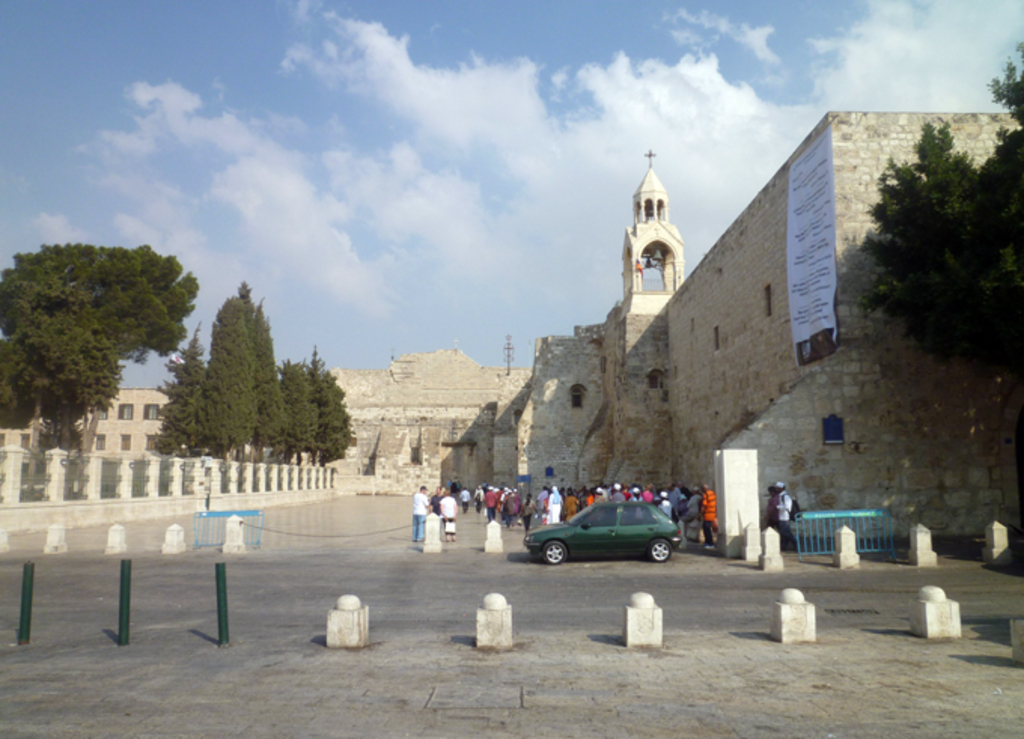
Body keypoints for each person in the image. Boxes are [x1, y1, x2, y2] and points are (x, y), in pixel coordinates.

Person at [776, 482, 799, 552]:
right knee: (783, 533)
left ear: (781, 488)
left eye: (778, 488)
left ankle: (796, 543)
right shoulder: (780, 496)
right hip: (781, 517)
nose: (777, 489)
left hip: (785, 517)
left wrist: (777, 507)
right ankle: (784, 546)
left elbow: (787, 507)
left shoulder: (785, 496)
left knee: (786, 532)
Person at [700, 483, 717, 549]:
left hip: (707, 514)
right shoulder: (712, 493)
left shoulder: (705, 495)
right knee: (708, 528)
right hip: (713, 513)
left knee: (706, 529)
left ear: (704, 489)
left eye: (702, 489)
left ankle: (710, 543)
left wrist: (700, 514)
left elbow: (704, 506)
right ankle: (707, 542)